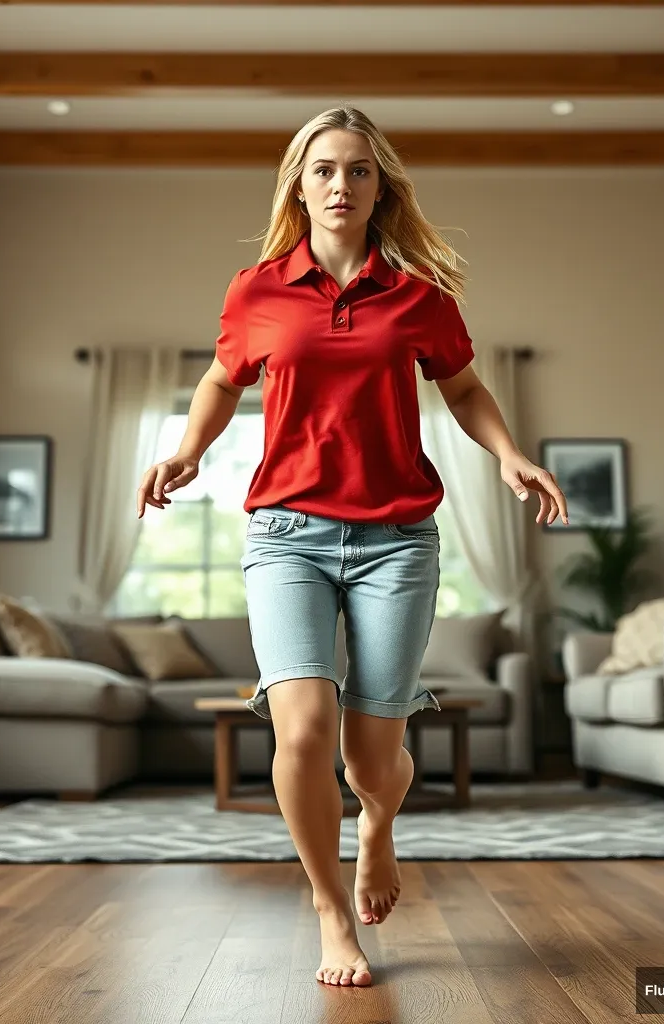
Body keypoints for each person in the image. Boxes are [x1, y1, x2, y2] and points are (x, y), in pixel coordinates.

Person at [136, 106, 568, 989]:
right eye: (325, 169)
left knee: (373, 761)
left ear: (381, 187)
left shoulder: (418, 295)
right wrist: (187, 450)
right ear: (300, 182)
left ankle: (378, 824)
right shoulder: (256, 288)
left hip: (397, 540)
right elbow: (223, 378)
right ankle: (333, 915)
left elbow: (465, 387)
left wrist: (512, 455)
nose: (341, 185)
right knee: (300, 729)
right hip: (286, 532)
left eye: (359, 171)